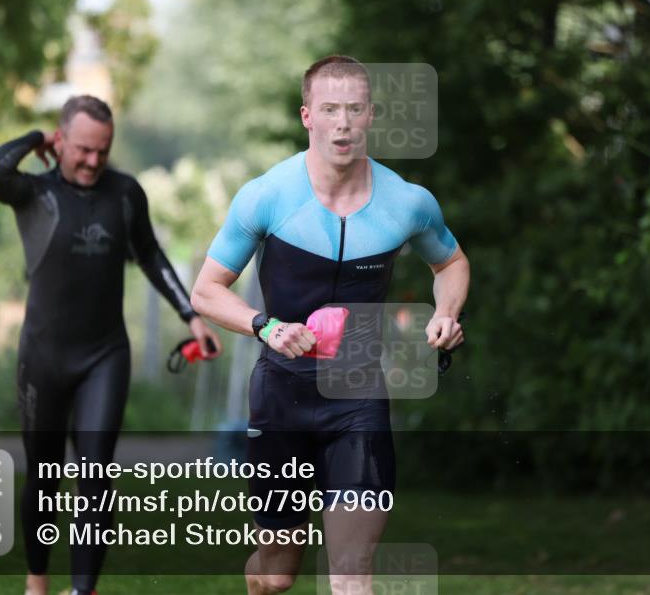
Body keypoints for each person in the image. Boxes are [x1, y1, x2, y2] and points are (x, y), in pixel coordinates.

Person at [191, 56, 469, 595]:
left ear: (370, 115)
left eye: (354, 109)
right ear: (307, 117)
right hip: (282, 397)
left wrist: (446, 313)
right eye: (330, 110)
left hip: (359, 398)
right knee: (275, 574)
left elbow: (451, 263)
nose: (342, 123)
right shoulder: (266, 196)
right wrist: (264, 326)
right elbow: (206, 291)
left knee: (351, 574)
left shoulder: (408, 203)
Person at [0, 95, 222, 595]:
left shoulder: (126, 194)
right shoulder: (31, 191)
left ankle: (83, 590)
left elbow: (151, 255)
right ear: (61, 140)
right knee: (44, 479)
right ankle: (37, 579)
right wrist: (33, 141)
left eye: (103, 151)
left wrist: (191, 315)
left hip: (104, 354)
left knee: (94, 475)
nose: (93, 161)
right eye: (83, 149)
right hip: (43, 356)